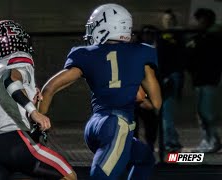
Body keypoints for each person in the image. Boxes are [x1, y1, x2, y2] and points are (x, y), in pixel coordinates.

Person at [39, 3, 162, 180]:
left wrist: (38, 124)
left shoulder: (86, 53)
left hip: (95, 126)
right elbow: (154, 102)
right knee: (101, 176)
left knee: (144, 158)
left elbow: (49, 88)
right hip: (118, 125)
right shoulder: (141, 53)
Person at [0, 20, 77, 180]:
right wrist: (34, 113)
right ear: (13, 41)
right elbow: (11, 81)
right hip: (16, 142)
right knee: (69, 176)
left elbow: (7, 93)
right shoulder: (19, 58)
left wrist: (30, 94)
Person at [185, 8, 222, 153]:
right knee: (201, 113)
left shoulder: (214, 38)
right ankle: (208, 140)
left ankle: (213, 140)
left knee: (206, 112)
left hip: (209, 80)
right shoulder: (197, 37)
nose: (199, 22)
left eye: (202, 19)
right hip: (199, 80)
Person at [158, 9, 185, 152]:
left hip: (171, 77)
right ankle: (172, 140)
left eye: (170, 20)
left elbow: (179, 59)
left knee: (166, 112)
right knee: (165, 112)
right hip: (164, 77)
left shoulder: (178, 37)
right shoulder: (161, 36)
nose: (168, 22)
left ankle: (171, 141)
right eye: (166, 19)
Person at [133, 25, 160, 152]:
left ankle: (150, 148)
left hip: (152, 92)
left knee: (152, 123)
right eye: (146, 33)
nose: (149, 35)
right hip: (136, 92)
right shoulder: (136, 51)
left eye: (152, 33)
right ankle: (135, 150)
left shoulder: (159, 50)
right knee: (133, 124)